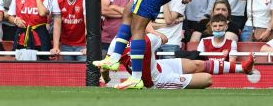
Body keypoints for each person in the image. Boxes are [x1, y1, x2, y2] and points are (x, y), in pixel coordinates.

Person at [104, 33, 254, 89]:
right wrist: (105, 74)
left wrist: (155, 32)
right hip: (158, 80)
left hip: (159, 66)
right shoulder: (117, 42)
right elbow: (106, 67)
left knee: (197, 64)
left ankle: (243, 68)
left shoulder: (148, 38)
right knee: (207, 79)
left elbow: (163, 38)